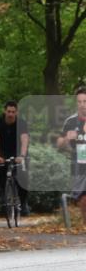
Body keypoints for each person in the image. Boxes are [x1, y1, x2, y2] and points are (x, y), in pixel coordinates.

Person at [0, 100, 30, 216]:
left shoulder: (21, 123)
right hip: (4, 152)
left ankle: (23, 203)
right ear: (5, 111)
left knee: (23, 177)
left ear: (16, 112)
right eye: (9, 111)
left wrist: (22, 156)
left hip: (18, 152)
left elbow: (24, 139)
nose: (11, 114)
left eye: (13, 112)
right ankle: (5, 200)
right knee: (2, 175)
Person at [57, 86, 86, 221]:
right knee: (83, 198)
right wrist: (67, 138)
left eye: (85, 101)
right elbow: (59, 144)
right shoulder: (70, 121)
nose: (82, 105)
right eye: (79, 102)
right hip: (78, 164)